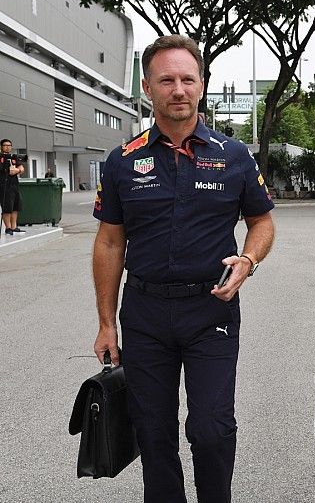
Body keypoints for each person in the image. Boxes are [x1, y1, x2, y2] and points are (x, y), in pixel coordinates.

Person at [91, 35, 275, 503]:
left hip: (210, 310)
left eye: (187, 79)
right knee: (153, 436)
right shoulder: (122, 162)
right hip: (145, 315)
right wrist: (106, 323)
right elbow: (110, 242)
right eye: (166, 80)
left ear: (202, 85)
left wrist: (248, 260)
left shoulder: (233, 156)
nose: (178, 89)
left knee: (211, 430)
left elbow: (262, 223)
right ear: (148, 90)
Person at [1, 139, 25, 236]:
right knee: (7, 207)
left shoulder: (14, 157)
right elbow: (8, 170)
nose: (8, 147)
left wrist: (17, 170)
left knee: (16, 206)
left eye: (9, 145)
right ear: (1, 146)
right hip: (4, 185)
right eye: (5, 145)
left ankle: (14, 226)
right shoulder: (1, 157)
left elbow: (21, 168)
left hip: (15, 185)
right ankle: (8, 227)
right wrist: (11, 170)